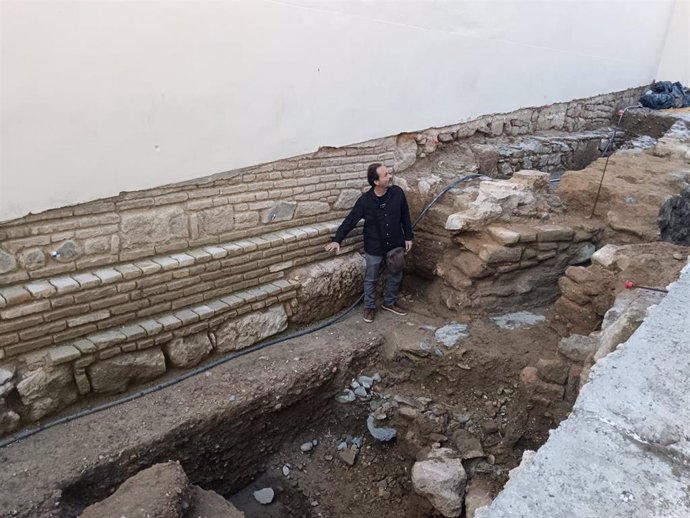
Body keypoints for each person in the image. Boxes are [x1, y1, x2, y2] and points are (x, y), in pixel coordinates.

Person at [325, 163, 413, 323]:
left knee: (396, 275)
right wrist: (337, 239)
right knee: (371, 278)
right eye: (385, 175)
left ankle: (390, 302)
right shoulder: (365, 201)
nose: (390, 176)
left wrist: (408, 236)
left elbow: (405, 215)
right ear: (376, 182)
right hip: (374, 246)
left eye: (388, 173)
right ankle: (370, 307)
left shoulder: (398, 193)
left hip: (395, 243)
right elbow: (350, 221)